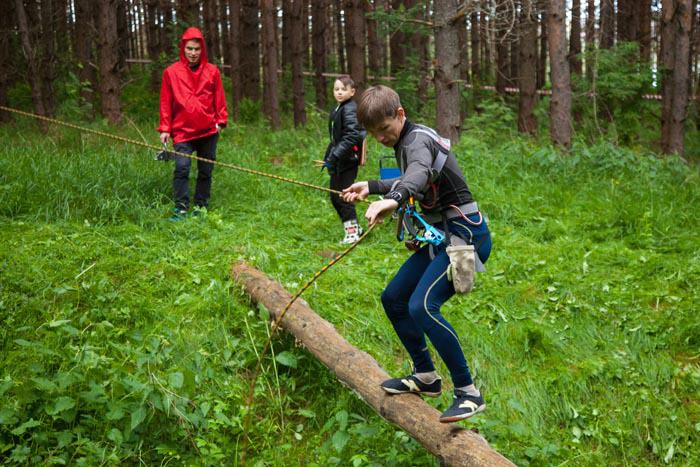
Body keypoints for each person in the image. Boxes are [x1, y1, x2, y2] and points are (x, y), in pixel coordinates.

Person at [341, 85, 492, 423]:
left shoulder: (417, 140)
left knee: (422, 306)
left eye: (385, 129)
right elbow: (413, 180)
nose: (381, 137)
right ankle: (425, 375)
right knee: (393, 298)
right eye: (374, 133)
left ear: (401, 114)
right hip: (442, 237)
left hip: (467, 237)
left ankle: (469, 392)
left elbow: (419, 172)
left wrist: (393, 199)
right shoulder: (402, 141)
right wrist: (373, 187)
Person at [158, 27, 228, 220]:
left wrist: (220, 122)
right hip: (182, 131)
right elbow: (165, 102)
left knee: (205, 170)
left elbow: (219, 98)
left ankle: (200, 206)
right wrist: (165, 128)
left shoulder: (212, 71)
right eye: (189, 48)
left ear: (202, 49)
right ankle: (180, 208)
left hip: (207, 131)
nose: (193, 53)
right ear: (183, 48)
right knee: (182, 167)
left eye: (197, 49)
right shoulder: (170, 73)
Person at [314, 75, 366, 244]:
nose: (339, 92)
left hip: (348, 160)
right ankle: (356, 228)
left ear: (352, 92)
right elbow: (336, 139)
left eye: (343, 89)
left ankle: (352, 234)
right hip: (339, 160)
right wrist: (329, 158)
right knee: (335, 196)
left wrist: (335, 156)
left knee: (344, 197)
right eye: (336, 89)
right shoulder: (338, 108)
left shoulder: (350, 108)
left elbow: (352, 136)